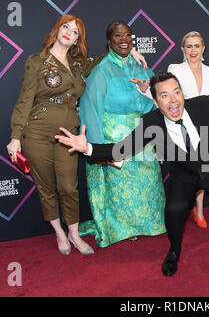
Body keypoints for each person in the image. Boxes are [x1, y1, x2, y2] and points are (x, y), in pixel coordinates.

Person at [55, 71, 209, 276]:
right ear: (155, 102)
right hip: (185, 176)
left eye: (177, 92)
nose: (173, 100)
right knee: (173, 212)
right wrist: (86, 147)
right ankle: (174, 250)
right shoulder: (151, 122)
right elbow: (120, 150)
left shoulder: (204, 107)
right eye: (165, 95)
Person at [6, 14, 147, 255]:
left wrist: (130, 51)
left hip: (69, 135)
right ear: (58, 29)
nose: (69, 32)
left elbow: (107, 56)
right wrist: (15, 136)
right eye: (66, 27)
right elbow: (23, 102)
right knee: (46, 186)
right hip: (36, 133)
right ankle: (59, 233)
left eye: (75, 32)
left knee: (69, 187)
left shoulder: (79, 65)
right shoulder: (36, 62)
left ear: (76, 41)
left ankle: (74, 234)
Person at [132, 31, 209, 228]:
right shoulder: (175, 69)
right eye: (188, 46)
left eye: (197, 46)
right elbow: (165, 96)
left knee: (208, 168)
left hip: (206, 128)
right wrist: (145, 89)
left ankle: (199, 209)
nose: (193, 50)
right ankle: (191, 210)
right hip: (181, 129)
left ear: (203, 48)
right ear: (182, 49)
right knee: (189, 171)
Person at [77, 21, 166, 247]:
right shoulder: (101, 72)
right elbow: (91, 110)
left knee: (149, 180)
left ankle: (150, 223)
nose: (124, 39)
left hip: (144, 136)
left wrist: (148, 93)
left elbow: (158, 100)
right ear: (109, 41)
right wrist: (98, 150)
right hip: (114, 137)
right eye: (118, 35)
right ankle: (124, 228)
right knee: (122, 186)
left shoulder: (142, 67)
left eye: (127, 35)